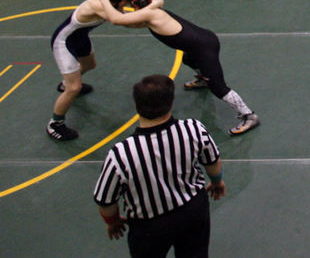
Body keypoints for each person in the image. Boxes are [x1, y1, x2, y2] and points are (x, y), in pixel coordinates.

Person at [99, 0, 260, 135]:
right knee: (188, 59)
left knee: (218, 87)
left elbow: (117, 20)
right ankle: (203, 78)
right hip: (200, 43)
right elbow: (130, 23)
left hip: (205, 48)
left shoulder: (151, 14)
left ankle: (249, 115)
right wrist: (116, 10)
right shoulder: (153, 13)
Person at [92, 74, 225, 255]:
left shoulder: (121, 154)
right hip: (193, 210)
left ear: (137, 106)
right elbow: (213, 161)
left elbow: (105, 200)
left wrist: (113, 222)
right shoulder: (192, 129)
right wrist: (217, 182)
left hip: (149, 225)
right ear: (170, 103)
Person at [45, 0, 150, 140]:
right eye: (127, 0)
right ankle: (54, 124)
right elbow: (124, 22)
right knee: (74, 88)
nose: (128, 3)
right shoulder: (99, 5)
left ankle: (65, 83)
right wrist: (151, 17)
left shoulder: (110, 2)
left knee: (89, 65)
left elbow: (130, 19)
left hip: (80, 38)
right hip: (64, 42)